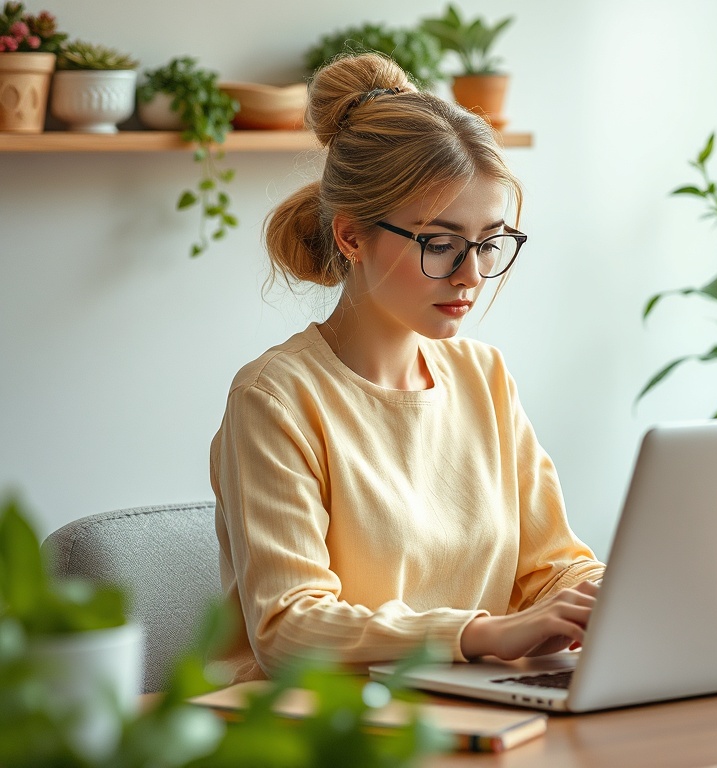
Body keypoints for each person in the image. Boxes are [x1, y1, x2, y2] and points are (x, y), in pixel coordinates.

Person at [210, 53, 605, 684]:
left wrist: (612, 595)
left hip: (465, 707)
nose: (471, 274)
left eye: (488, 242)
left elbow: (552, 565)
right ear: (351, 238)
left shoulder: (484, 376)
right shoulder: (276, 397)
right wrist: (481, 634)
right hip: (318, 731)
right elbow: (289, 629)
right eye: (440, 243)